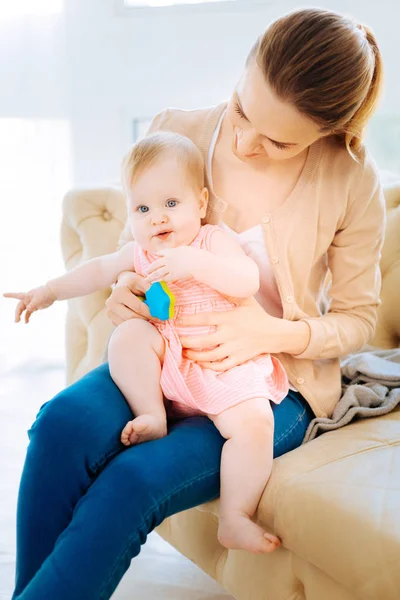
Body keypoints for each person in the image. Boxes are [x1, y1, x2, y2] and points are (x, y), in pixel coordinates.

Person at [9, 7, 385, 599]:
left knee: (132, 481)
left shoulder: (350, 179)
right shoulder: (176, 128)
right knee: (59, 425)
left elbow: (359, 319)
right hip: (168, 355)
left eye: (280, 141)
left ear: (328, 133)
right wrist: (125, 295)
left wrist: (268, 333)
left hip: (267, 382)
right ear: (244, 70)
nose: (245, 142)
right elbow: (126, 255)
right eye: (242, 110)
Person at [5, 131, 289, 554]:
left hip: (222, 362)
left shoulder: (211, 241)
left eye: (171, 204)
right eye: (143, 208)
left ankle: (235, 516)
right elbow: (96, 270)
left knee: (254, 426)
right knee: (129, 336)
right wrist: (46, 291)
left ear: (202, 204)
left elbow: (246, 280)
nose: (157, 218)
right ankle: (151, 413)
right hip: (169, 360)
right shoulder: (140, 254)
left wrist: (196, 262)